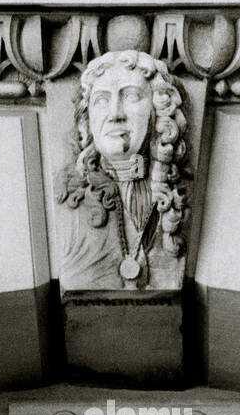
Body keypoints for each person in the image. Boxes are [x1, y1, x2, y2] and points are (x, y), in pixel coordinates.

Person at [57, 50, 189, 291]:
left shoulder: (177, 194)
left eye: (130, 96)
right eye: (102, 100)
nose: (115, 114)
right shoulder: (72, 198)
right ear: (87, 119)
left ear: (157, 111)